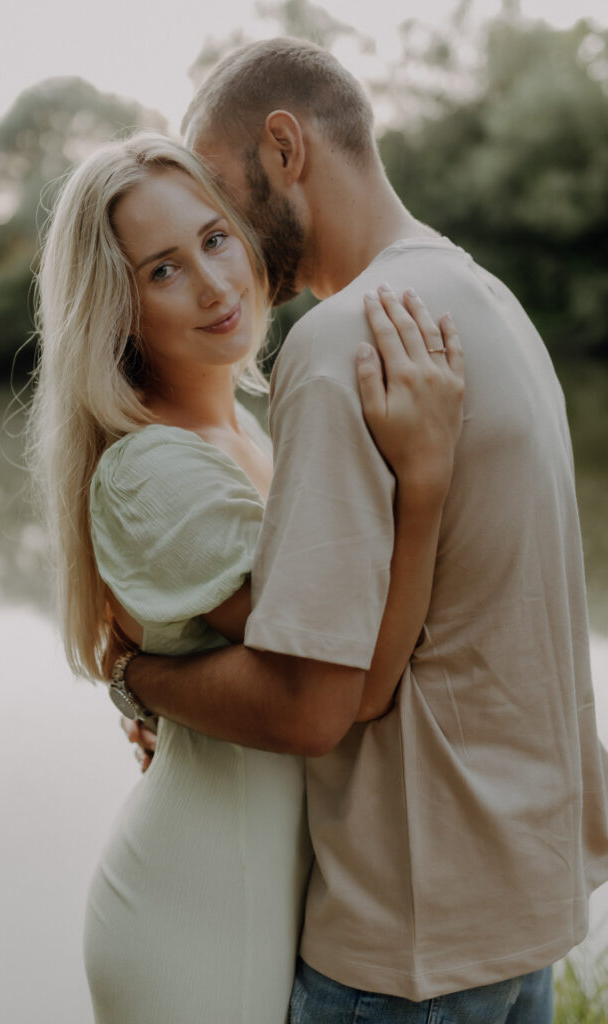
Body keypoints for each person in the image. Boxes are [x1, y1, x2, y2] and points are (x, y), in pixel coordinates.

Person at [117, 37, 608, 1023]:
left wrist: (136, 674)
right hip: (518, 908)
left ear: (284, 147)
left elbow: (308, 705)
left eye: (221, 199)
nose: (229, 244)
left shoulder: (347, 342)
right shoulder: (488, 302)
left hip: (405, 938)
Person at [28, 130, 464, 1023]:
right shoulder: (155, 469)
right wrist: (422, 487)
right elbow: (341, 695)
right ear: (117, 311)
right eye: (161, 271)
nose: (215, 283)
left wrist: (143, 681)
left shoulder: (246, 439)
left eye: (214, 239)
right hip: (198, 914)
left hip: (262, 893)